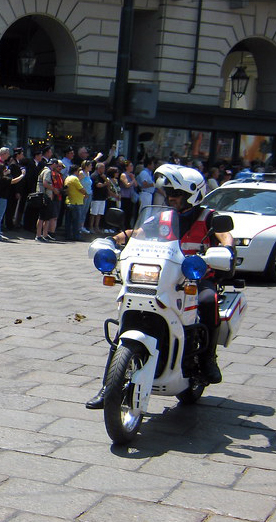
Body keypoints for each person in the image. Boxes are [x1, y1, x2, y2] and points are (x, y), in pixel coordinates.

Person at [86, 164, 235, 409]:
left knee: (208, 300)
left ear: (192, 195)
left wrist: (226, 249)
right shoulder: (164, 216)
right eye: (169, 195)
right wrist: (113, 239)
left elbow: (225, 235)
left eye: (176, 195)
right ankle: (108, 386)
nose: (171, 199)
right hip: (165, 277)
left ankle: (208, 359)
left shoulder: (208, 217)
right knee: (126, 318)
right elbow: (138, 232)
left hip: (196, 279)